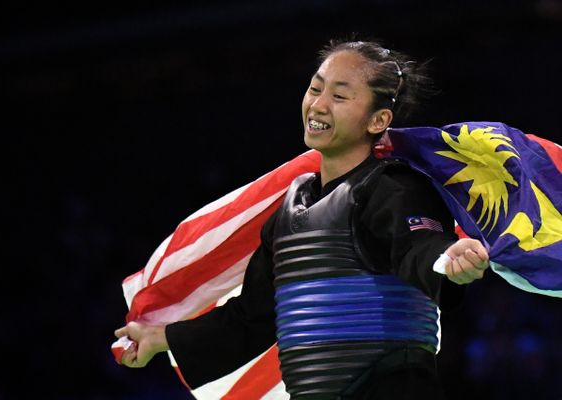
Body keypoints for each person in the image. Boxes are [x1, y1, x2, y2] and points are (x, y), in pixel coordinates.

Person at [114, 39, 490, 399]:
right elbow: (252, 317)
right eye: (315, 89)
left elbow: (419, 247)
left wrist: (448, 261)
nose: (319, 105)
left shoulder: (395, 187)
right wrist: (161, 338)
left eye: (339, 96)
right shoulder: (291, 208)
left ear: (378, 120)